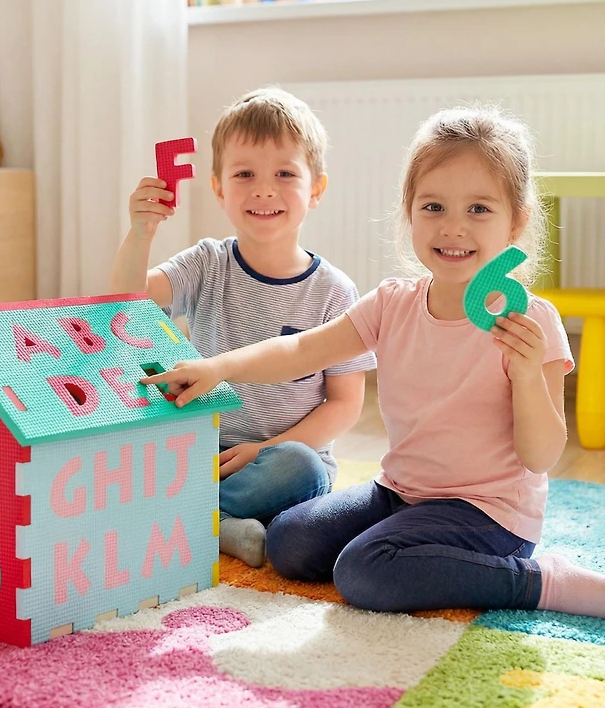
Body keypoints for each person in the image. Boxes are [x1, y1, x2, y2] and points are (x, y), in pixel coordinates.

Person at [141, 105, 605, 620]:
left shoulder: (530, 320)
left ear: (515, 222)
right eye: (433, 207)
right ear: (409, 212)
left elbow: (540, 456)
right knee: (290, 543)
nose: (453, 228)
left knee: (364, 571)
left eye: (479, 209)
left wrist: (525, 375)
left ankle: (541, 581)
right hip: (401, 492)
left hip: (489, 515)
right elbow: (301, 350)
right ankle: (408, 544)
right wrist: (219, 368)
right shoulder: (393, 302)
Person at [110, 87, 376, 567]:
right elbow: (126, 306)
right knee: (122, 451)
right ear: (219, 188)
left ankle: (195, 517)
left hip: (277, 459)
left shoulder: (335, 291)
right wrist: (141, 232)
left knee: (302, 468)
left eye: (285, 174)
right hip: (200, 449)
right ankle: (216, 523)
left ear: (316, 189)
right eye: (245, 174)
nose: (264, 189)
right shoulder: (207, 262)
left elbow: (345, 404)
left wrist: (262, 451)